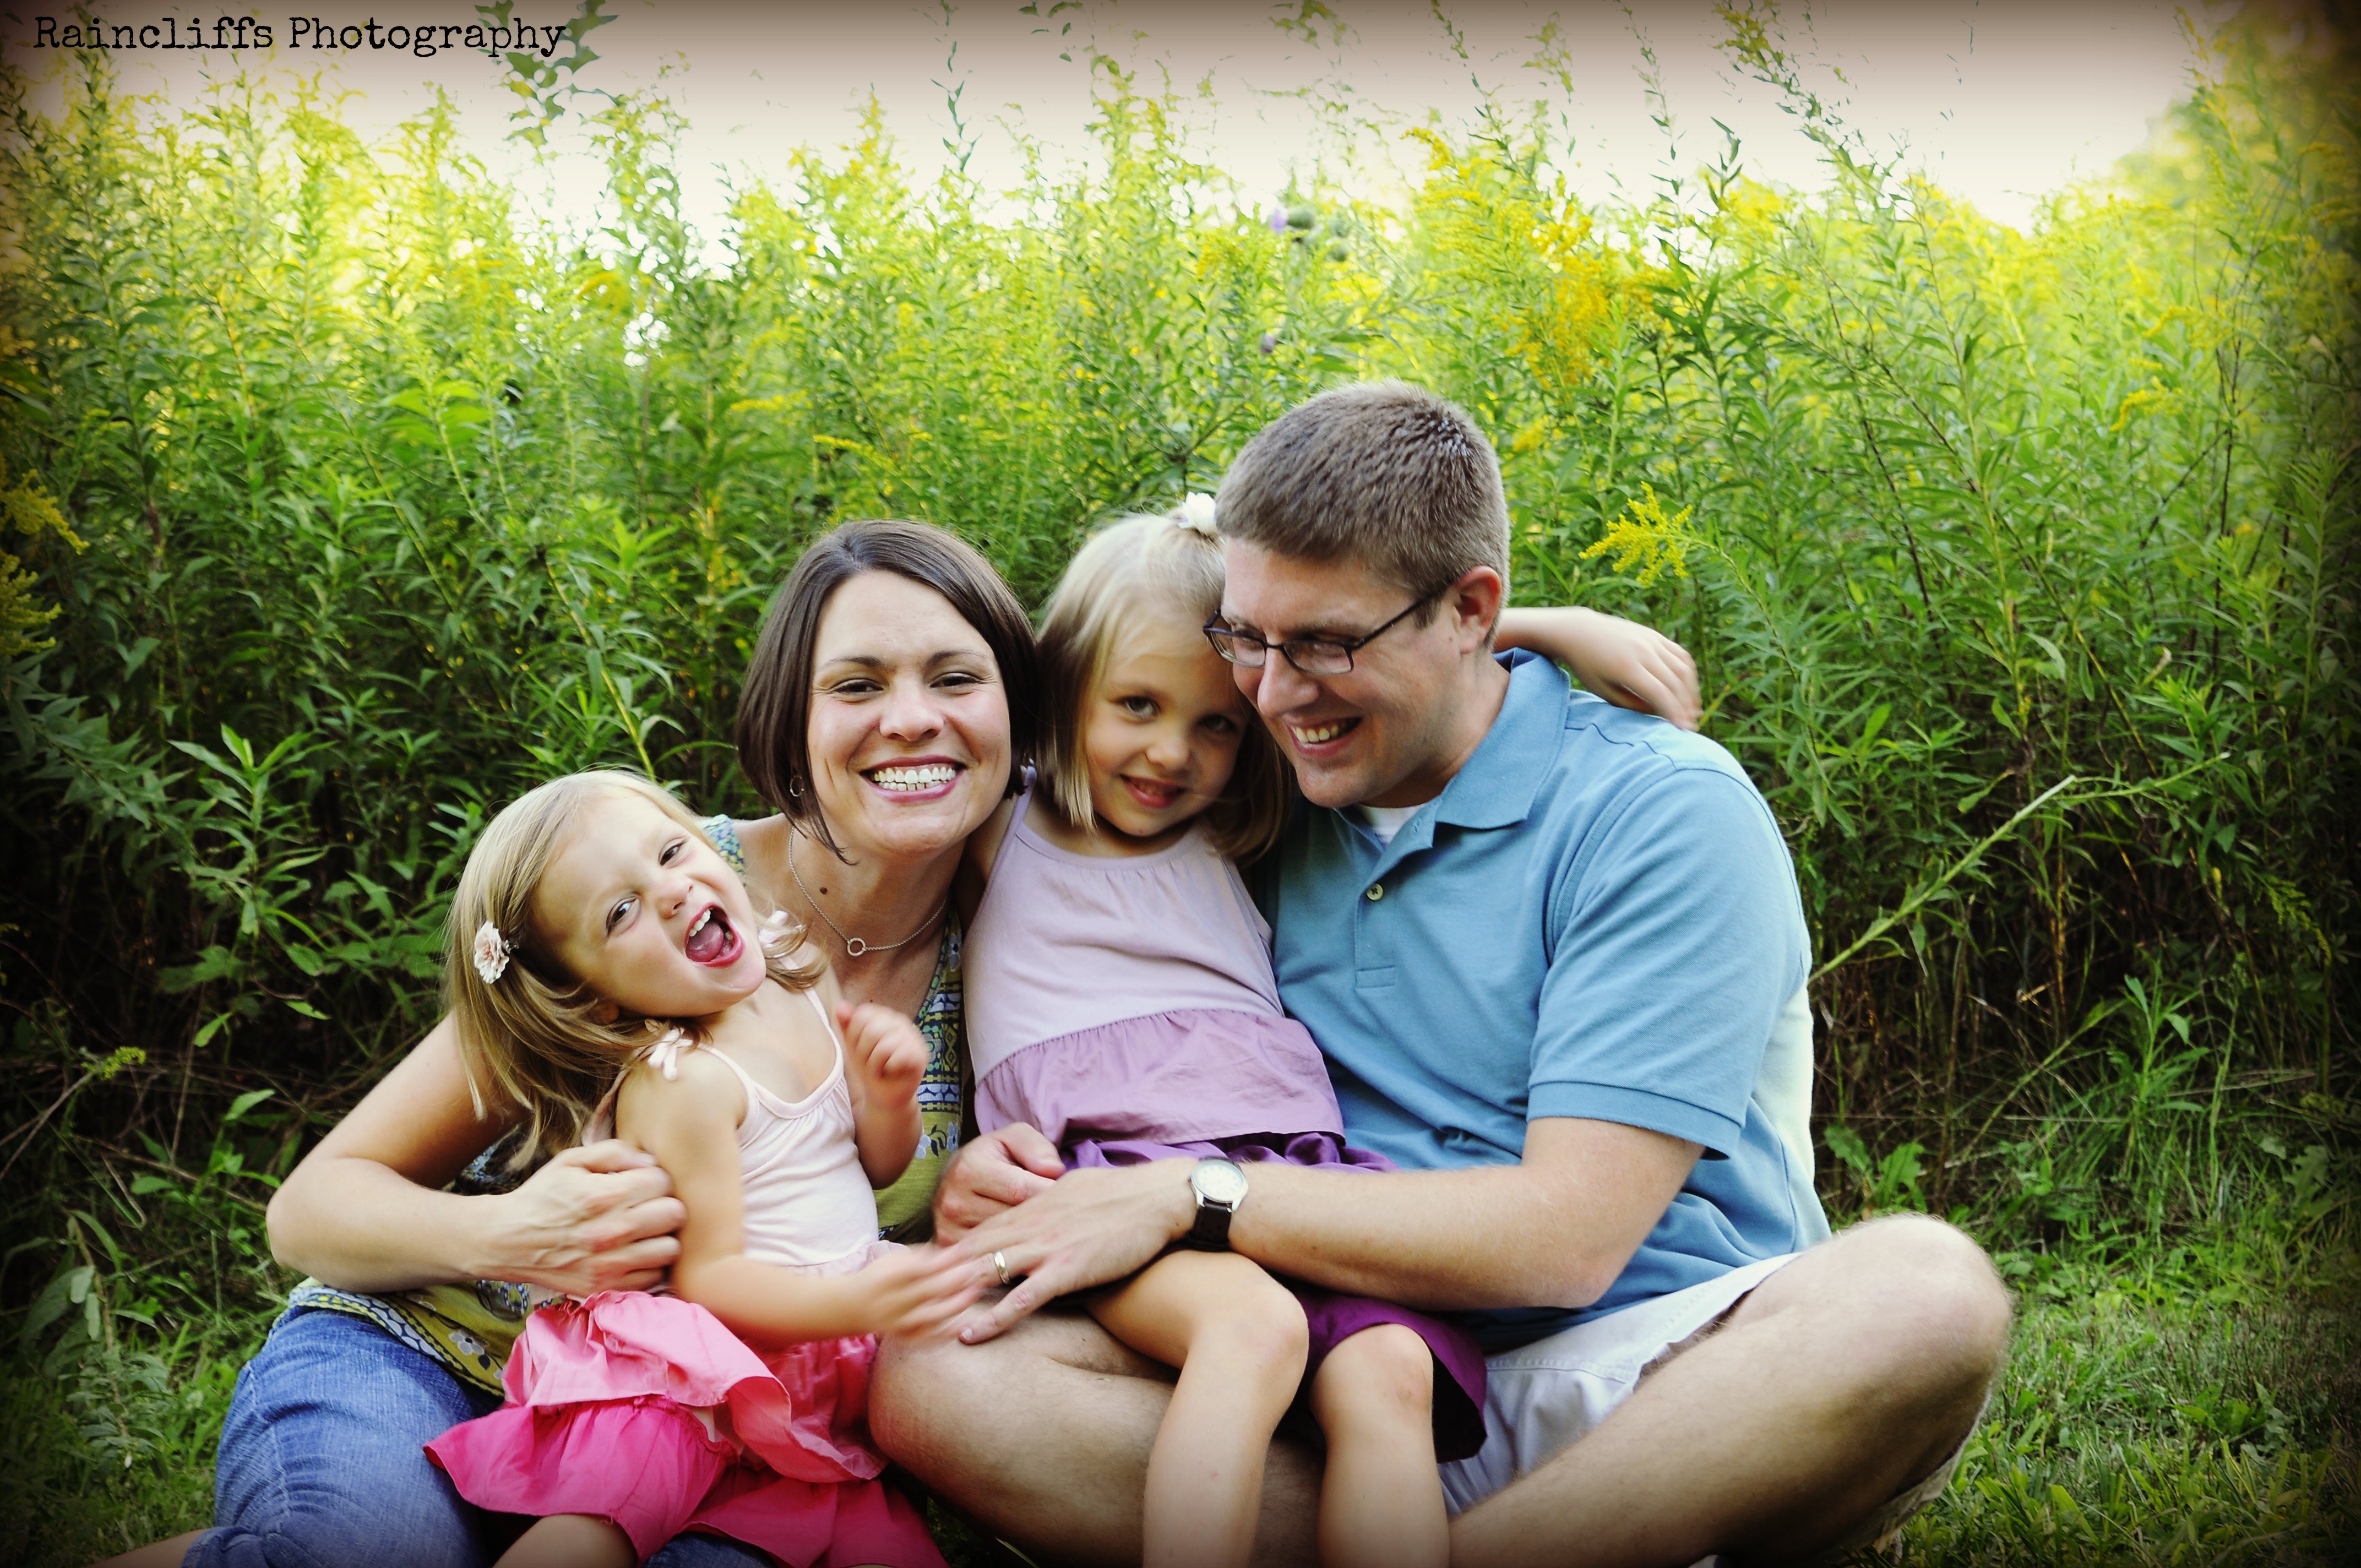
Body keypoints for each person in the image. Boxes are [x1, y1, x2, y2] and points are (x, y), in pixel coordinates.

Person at [873, 384, 2015, 1568]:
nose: (1273, 694)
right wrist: (997, 1171)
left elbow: (1565, 1240)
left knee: (1926, 1295)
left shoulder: (1659, 811)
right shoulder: (1256, 795)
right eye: (1250, 640)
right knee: (934, 1373)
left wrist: (1191, 1194)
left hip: (1648, 1379)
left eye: (1327, 646)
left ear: (1471, 610)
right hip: (1338, 1366)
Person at [118, 521, 1039, 1568]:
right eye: (857, 685)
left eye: (955, 677)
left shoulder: (1026, 950)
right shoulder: (637, 898)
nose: (910, 720)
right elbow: (309, 1211)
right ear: (794, 719)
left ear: (1015, 703)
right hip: (437, 1357)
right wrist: (511, 1232)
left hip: (719, 1434)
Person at [419, 770, 981, 1566]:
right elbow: (710, 1278)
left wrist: (887, 1099)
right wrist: (856, 1302)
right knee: (609, 1520)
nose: (672, 891)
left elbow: (873, 1168)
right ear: (595, 998)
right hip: (690, 1378)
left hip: (809, 1360)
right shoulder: (684, 1081)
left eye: (672, 852)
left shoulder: (799, 971)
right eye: (620, 913)